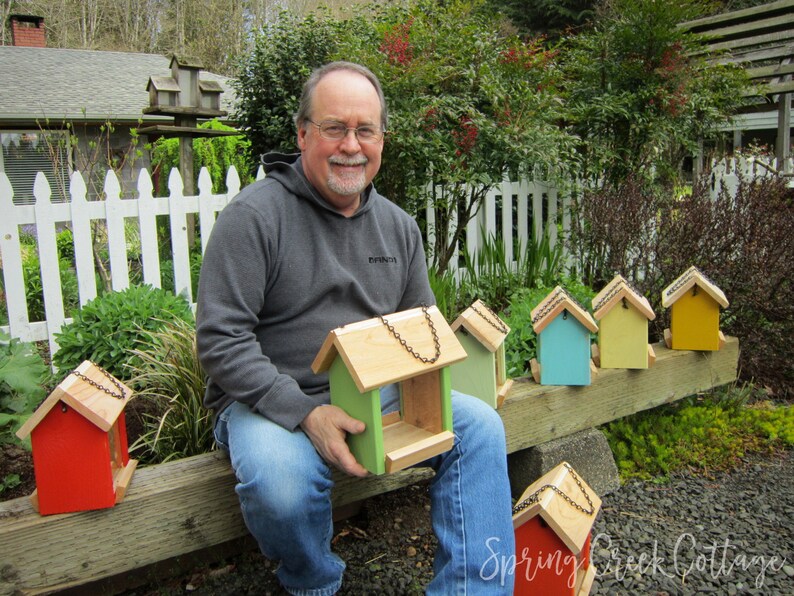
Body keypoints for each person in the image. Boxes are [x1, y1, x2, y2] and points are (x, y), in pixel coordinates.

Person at [196, 61, 515, 595]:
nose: (352, 145)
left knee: (479, 427)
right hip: (271, 402)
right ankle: (313, 584)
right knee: (282, 482)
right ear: (302, 135)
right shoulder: (253, 218)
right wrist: (306, 413)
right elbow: (221, 339)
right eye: (334, 128)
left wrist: (422, 401)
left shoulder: (398, 227)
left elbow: (422, 335)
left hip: (380, 395)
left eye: (365, 130)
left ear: (381, 140)